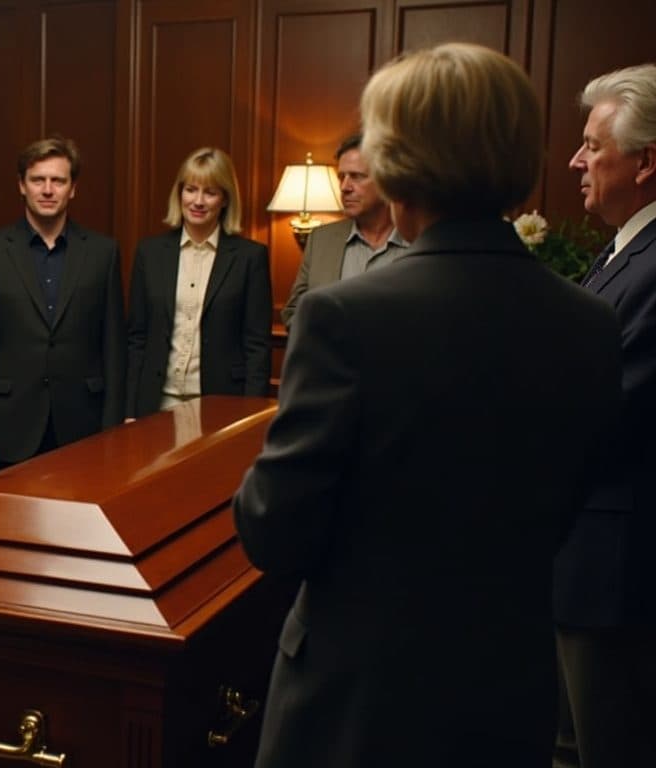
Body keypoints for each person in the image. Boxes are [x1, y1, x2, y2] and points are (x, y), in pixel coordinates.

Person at [233, 42, 621, 767]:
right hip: (510, 695)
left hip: (358, 705)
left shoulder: (344, 318)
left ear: (395, 162)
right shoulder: (591, 323)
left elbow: (274, 532)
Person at [554, 62, 656, 768]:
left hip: (614, 572)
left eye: (593, 145)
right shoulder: (626, 250)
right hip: (585, 561)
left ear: (645, 163)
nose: (575, 160)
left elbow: (602, 413)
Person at [0, 137, 124, 472]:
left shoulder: (102, 253)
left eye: (58, 181)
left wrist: (113, 427)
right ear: (22, 186)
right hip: (7, 426)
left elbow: (113, 347)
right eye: (38, 180)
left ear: (73, 188)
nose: (48, 190)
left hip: (83, 425)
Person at [125, 147, 271, 418]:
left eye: (210, 192)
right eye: (191, 190)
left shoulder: (250, 258)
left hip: (221, 403)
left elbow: (257, 347)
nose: (198, 201)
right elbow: (137, 338)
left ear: (225, 199)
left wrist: (251, 414)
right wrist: (129, 410)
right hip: (156, 401)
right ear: (179, 193)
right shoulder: (150, 253)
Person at [280, 134, 410, 329]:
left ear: (387, 181)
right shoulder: (321, 240)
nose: (344, 187)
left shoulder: (418, 241)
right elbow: (294, 311)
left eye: (356, 176)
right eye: (341, 177)